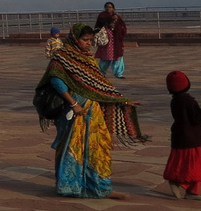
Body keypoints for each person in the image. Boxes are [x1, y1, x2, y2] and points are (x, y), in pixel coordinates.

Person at [35, 23, 146, 199]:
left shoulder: (87, 59)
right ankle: (69, 186)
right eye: (85, 40)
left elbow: (100, 85)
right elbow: (57, 81)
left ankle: (100, 187)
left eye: (90, 40)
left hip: (92, 112)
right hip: (73, 112)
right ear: (75, 39)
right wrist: (73, 104)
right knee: (72, 147)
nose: (89, 43)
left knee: (97, 148)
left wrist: (122, 100)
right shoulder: (62, 57)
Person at [163, 70, 201, 200]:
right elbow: (199, 118)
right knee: (198, 164)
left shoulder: (176, 100)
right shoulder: (187, 100)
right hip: (192, 137)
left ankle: (192, 191)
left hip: (181, 135)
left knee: (187, 163)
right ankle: (179, 182)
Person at [94, 2, 128, 78]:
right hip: (106, 40)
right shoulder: (102, 16)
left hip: (115, 40)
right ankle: (101, 72)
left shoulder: (117, 17)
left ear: (113, 8)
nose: (108, 8)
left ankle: (118, 73)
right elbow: (98, 25)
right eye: (107, 7)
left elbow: (122, 26)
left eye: (110, 7)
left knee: (118, 56)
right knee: (105, 56)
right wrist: (109, 22)